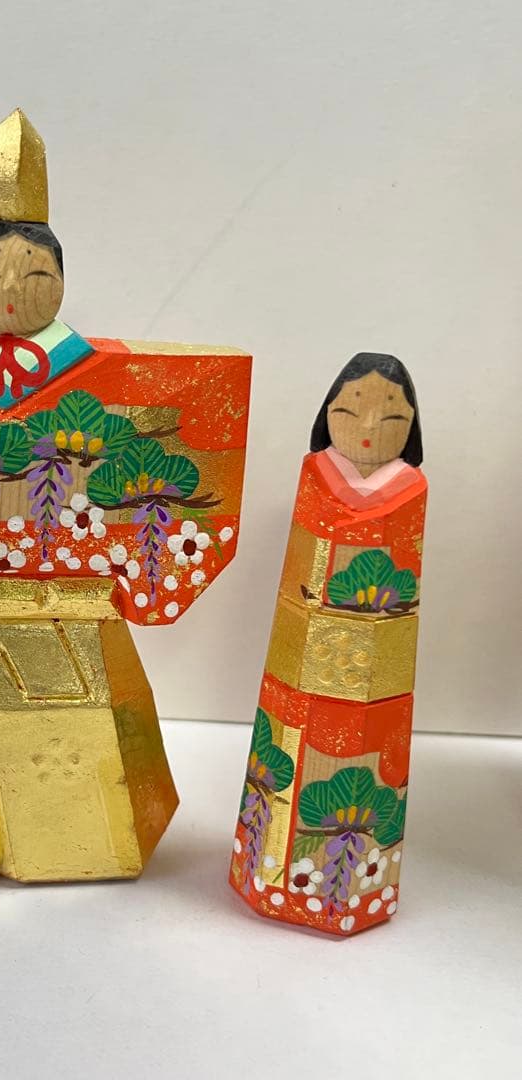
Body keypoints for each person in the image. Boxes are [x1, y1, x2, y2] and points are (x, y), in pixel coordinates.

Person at [229, 353, 427, 936]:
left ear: (412, 429)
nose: (368, 428)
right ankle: (266, 875)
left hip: (383, 662)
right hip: (299, 650)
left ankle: (354, 892)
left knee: (370, 741)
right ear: (326, 416)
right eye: (349, 411)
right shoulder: (317, 475)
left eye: (391, 418)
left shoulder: (410, 488)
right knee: (286, 744)